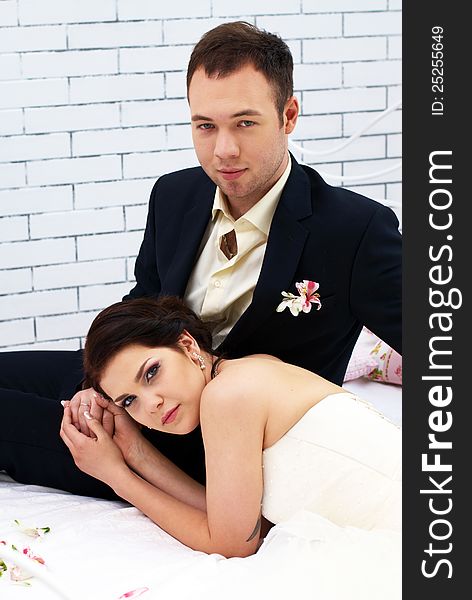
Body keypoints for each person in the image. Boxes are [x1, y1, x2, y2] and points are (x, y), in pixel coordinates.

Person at [0, 22, 401, 498]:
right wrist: (100, 384)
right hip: (144, 386)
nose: (223, 150)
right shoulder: (173, 194)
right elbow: (143, 304)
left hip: (218, 445)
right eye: (205, 126)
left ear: (288, 115)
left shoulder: (354, 229)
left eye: (245, 123)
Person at [60, 296, 401, 558]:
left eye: (151, 373)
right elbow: (248, 525)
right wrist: (134, 452)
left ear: (187, 345)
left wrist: (116, 477)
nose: (151, 404)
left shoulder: (226, 397)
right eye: (129, 401)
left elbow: (231, 545)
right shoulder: (252, 367)